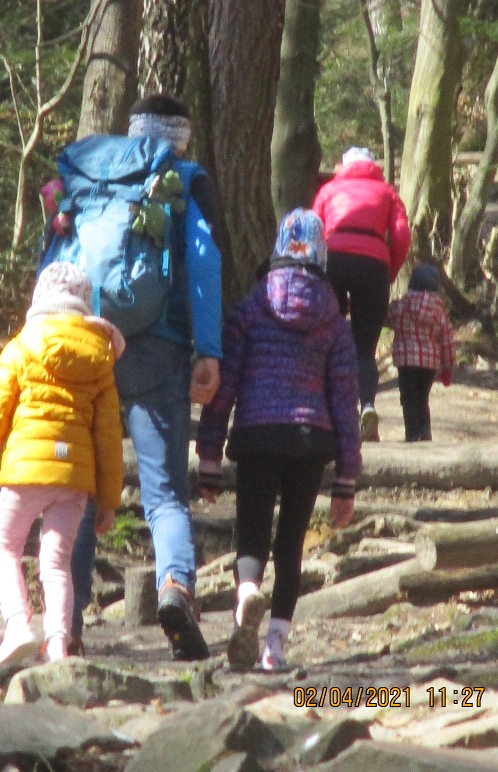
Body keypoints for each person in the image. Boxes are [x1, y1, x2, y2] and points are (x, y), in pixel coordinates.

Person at [69, 93, 222, 662]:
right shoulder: (185, 179)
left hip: (87, 341)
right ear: (181, 137)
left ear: (133, 130)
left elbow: (57, 248)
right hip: (159, 348)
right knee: (164, 495)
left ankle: (66, 623)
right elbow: (204, 259)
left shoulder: (96, 178)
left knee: (82, 490)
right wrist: (209, 348)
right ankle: (175, 587)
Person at [196, 208, 361, 670]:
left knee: (251, 535)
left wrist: (209, 456)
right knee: (290, 545)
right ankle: (274, 647)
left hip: (257, 437)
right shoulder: (334, 322)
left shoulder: (252, 309)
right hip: (310, 443)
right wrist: (346, 480)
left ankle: (248, 592)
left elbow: (224, 388)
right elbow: (345, 403)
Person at [0, 262, 123, 668]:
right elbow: (109, 437)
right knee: (57, 563)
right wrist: (108, 500)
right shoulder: (100, 357)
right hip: (74, 479)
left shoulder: (22, 345)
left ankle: (18, 623)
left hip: (26, 471)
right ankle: (58, 646)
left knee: (4, 547)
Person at [312, 146, 411, 442]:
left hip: (333, 259)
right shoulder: (387, 192)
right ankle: (367, 405)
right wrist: (389, 271)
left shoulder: (329, 190)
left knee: (327, 337)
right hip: (373, 264)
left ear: (343, 166)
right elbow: (402, 236)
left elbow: (313, 230)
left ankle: (325, 411)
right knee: (365, 348)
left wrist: (317, 273)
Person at [386, 263, 454, 442]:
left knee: (408, 398)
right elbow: (446, 339)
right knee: (423, 397)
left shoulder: (400, 306)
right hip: (428, 363)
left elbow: (389, 317)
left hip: (405, 361)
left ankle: (412, 433)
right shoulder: (439, 312)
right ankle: (425, 432)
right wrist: (447, 367)